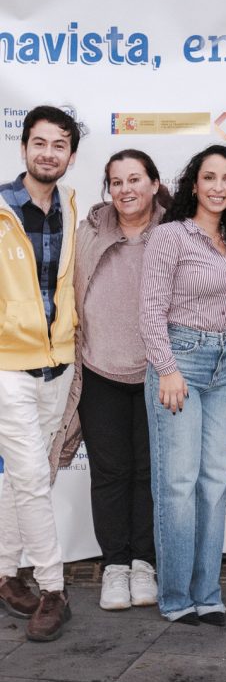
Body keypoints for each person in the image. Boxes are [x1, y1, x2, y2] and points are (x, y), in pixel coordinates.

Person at [140, 144, 226, 626]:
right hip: (180, 363)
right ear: (193, 184)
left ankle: (208, 592)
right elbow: (150, 309)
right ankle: (174, 597)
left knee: (213, 483)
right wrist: (167, 369)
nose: (218, 187)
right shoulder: (171, 236)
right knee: (178, 484)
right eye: (209, 177)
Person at [61, 149, 170, 611]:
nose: (126, 189)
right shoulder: (89, 232)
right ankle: (115, 567)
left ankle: (144, 563)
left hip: (156, 376)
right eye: (117, 181)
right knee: (109, 474)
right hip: (100, 371)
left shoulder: (174, 233)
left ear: (154, 183)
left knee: (149, 473)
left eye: (135, 179)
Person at [0, 105, 82, 641]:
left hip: (60, 363)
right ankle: (53, 588)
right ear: (24, 146)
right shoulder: (2, 209)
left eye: (59, 145)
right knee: (30, 475)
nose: (48, 153)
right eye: (39, 142)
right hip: (8, 363)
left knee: (26, 476)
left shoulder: (73, 207)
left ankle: (5, 573)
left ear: (71, 155)